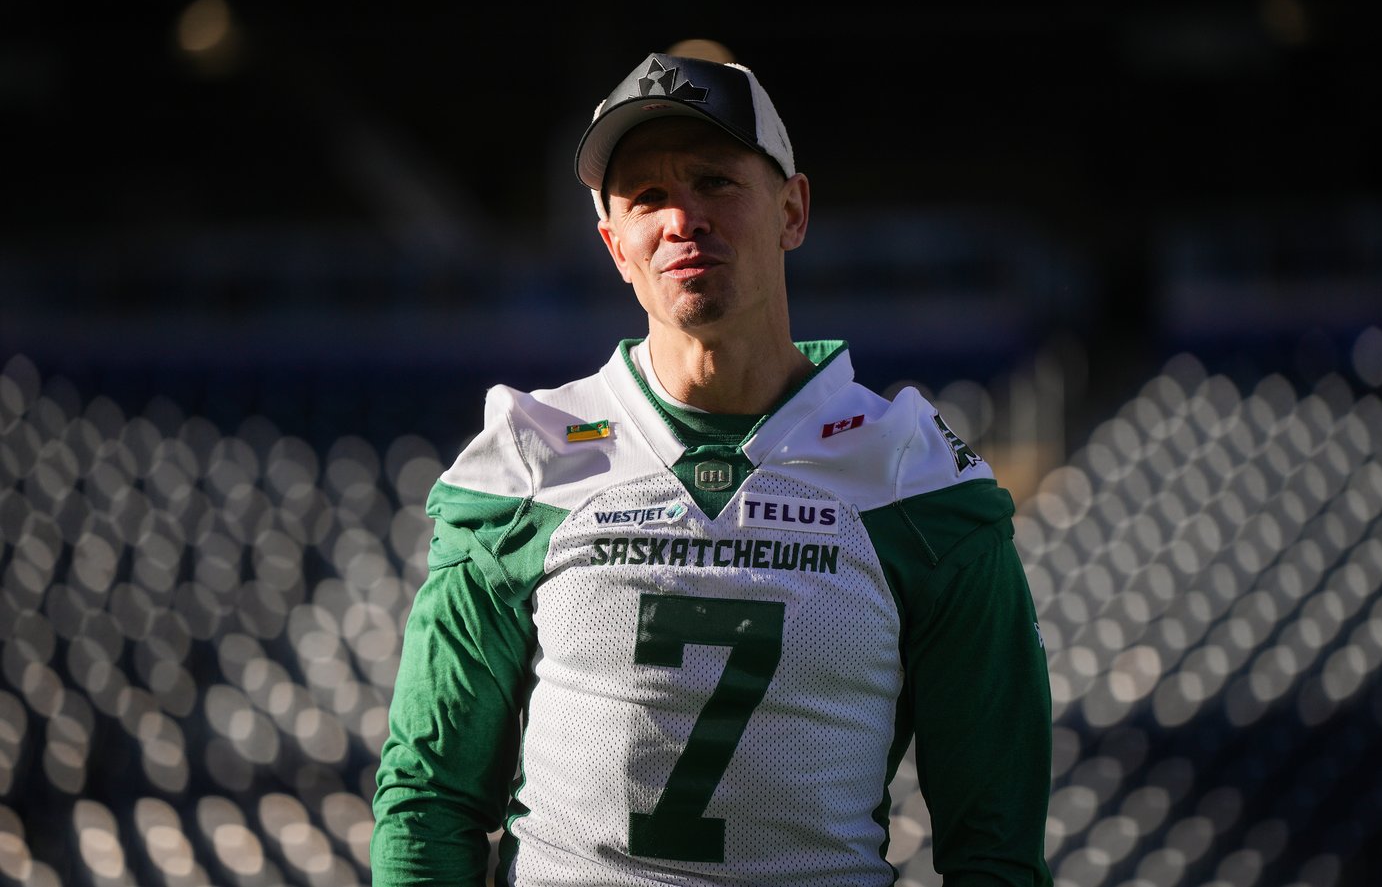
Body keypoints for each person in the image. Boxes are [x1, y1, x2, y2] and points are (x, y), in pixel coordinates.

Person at [371, 49, 1054, 886]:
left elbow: (995, 846)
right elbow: (430, 799)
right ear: (615, 245)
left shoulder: (917, 477)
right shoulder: (527, 458)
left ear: (792, 210)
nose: (682, 218)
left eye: (715, 181)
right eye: (647, 196)